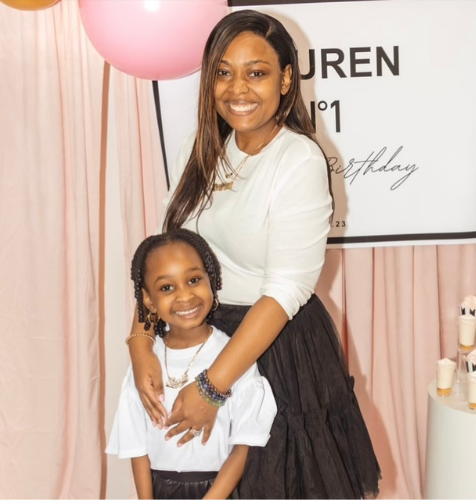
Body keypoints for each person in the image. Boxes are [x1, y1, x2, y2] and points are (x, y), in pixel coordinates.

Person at [126, 9, 381, 499]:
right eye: (223, 72)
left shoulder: (298, 160)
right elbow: (164, 260)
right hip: (193, 337)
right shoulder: (198, 152)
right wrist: (140, 342)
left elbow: (286, 291)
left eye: (256, 72)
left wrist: (211, 388)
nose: (237, 88)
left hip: (271, 350)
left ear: (286, 79)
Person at [107, 228, 277, 499]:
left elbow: (244, 446)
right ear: (148, 300)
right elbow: (136, 445)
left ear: (212, 280)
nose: (185, 296)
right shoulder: (146, 364)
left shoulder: (232, 356)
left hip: (221, 491)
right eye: (167, 287)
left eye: (194, 279)